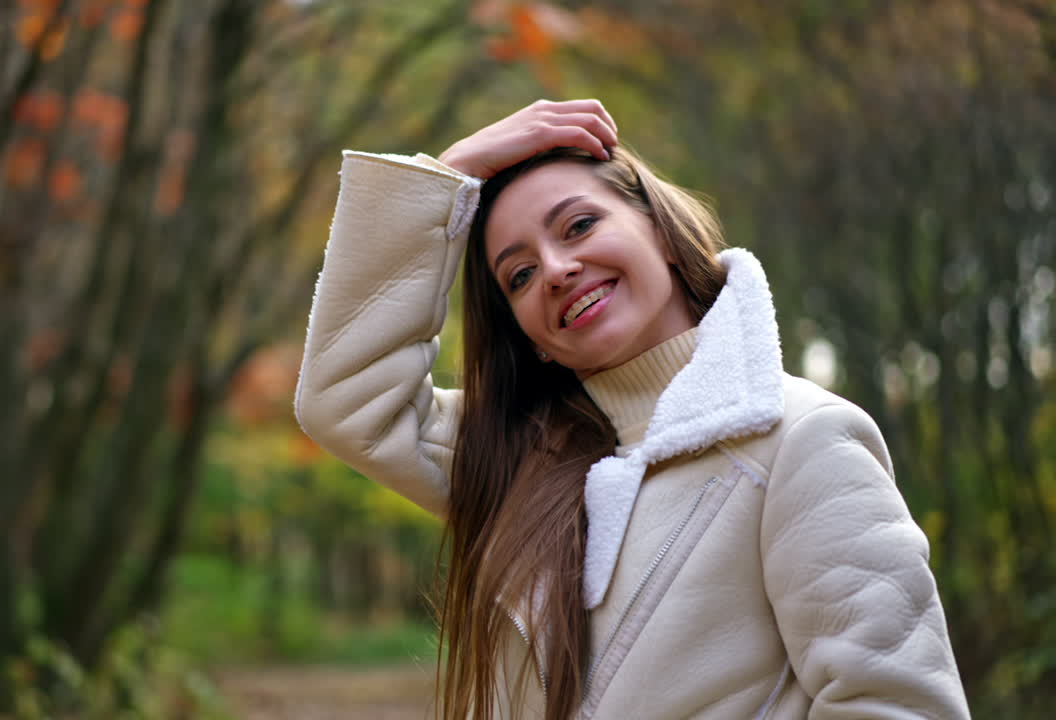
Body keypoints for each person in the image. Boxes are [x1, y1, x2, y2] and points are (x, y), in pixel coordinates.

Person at [294, 100, 970, 720]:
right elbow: (347, 402)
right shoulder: (521, 460)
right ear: (533, 339)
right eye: (519, 275)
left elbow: (897, 703)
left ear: (660, 229)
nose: (557, 269)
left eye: (580, 225)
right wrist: (451, 173)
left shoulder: (800, 438)